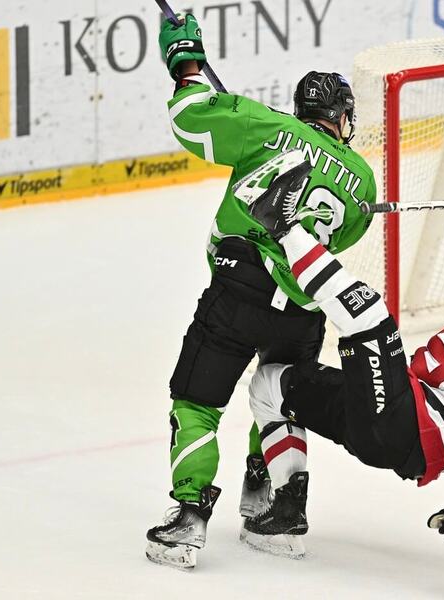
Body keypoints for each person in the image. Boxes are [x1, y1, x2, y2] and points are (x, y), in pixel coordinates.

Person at [145, 14, 377, 570]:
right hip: (302, 308)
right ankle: (272, 502)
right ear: (342, 119)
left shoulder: (262, 125)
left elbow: (189, 121)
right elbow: (345, 233)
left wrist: (188, 62)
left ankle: (188, 520)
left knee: (196, 405)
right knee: (279, 397)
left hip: (239, 292)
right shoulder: (363, 180)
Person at [237, 167, 444, 559]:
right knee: (269, 386)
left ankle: (284, 228)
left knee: (370, 316)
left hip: (414, 433)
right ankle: (285, 516)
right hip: (386, 412)